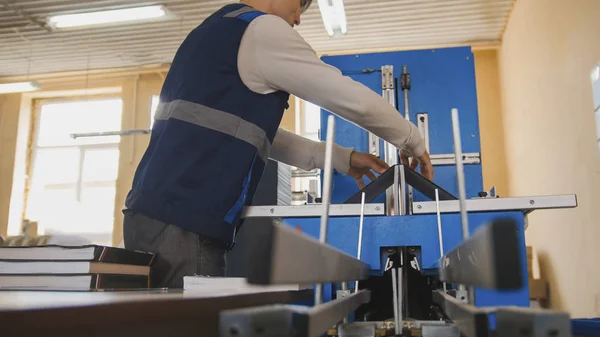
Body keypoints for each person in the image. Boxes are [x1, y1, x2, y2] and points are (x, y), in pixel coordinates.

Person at [122, 0, 433, 288]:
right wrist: (412, 139)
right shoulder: (261, 30)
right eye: (299, 5)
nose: (297, 18)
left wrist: (339, 158)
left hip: (150, 215)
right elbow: (348, 97)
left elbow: (251, 132)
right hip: (187, 219)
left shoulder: (211, 30)